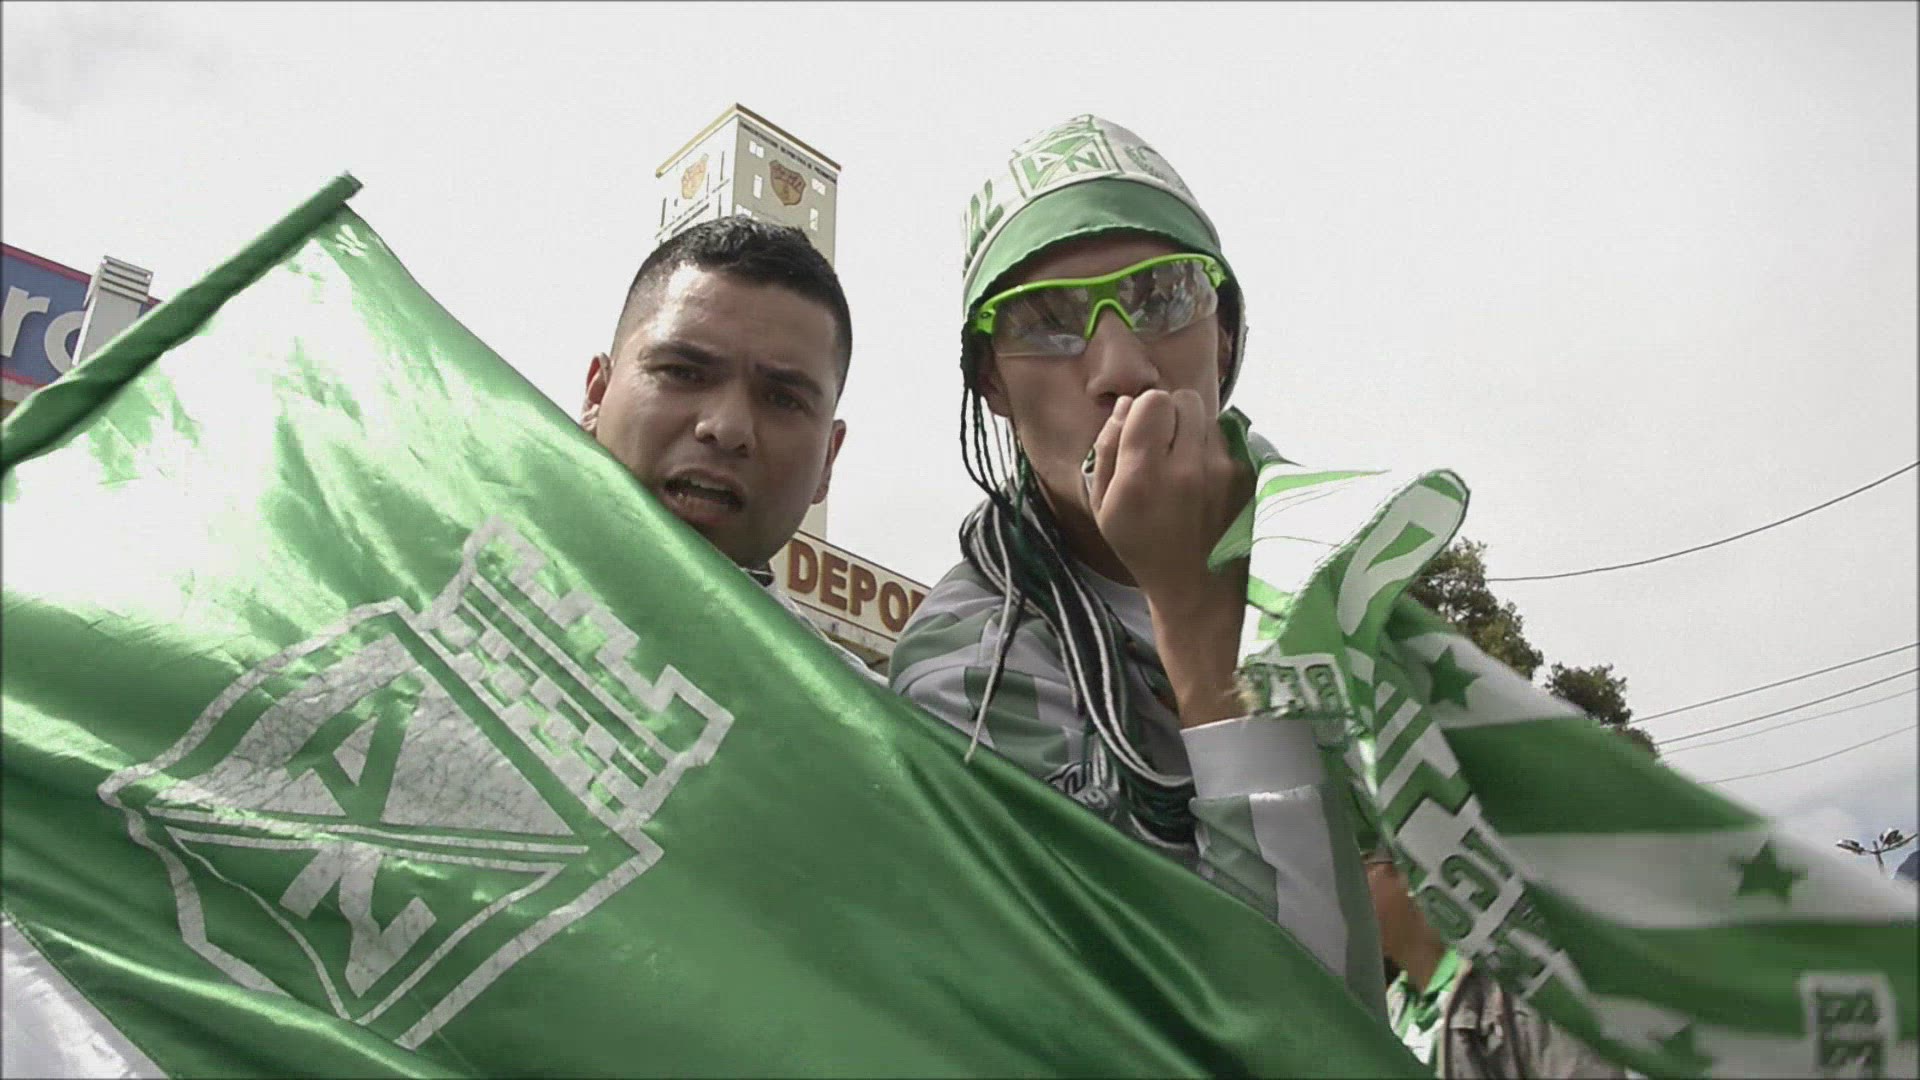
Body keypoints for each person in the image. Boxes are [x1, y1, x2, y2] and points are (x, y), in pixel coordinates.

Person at [887, 115, 1384, 1014]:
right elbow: (1287, 1030)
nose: (1121, 368)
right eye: (1046, 322)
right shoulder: (965, 671)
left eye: (1161, 297)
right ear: (992, 383)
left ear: (1223, 333)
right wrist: (1196, 619)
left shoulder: (1343, 559)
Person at [582, 216, 880, 680]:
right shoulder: (458, 540)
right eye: (683, 372)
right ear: (597, 395)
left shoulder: (846, 716)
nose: (726, 428)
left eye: (783, 399)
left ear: (828, 460)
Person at [1366, 846, 1626, 1078]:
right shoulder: (1386, 1008)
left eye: (1360, 865)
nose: (1346, 891)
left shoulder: (1519, 986)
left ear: (1404, 870)